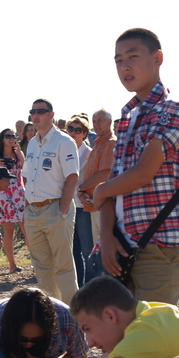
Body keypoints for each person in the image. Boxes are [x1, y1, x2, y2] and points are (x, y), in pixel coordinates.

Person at [91, 28, 179, 305]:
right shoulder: (128, 116)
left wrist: (99, 191)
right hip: (123, 244)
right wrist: (107, 235)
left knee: (152, 336)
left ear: (157, 58)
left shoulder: (171, 110)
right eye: (118, 60)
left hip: (159, 243)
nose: (125, 66)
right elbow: (117, 182)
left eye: (133, 56)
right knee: (121, 337)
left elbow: (143, 173)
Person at [23, 99, 80, 303]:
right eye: (32, 112)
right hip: (34, 212)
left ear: (51, 115)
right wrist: (29, 205)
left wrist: (62, 209)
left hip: (55, 208)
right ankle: (51, 315)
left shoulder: (64, 142)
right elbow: (27, 176)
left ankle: (72, 318)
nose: (35, 115)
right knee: (42, 267)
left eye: (41, 111)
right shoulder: (31, 143)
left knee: (63, 266)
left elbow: (72, 177)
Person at [79, 109, 117, 282]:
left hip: (104, 206)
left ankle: (107, 288)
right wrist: (82, 192)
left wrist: (82, 188)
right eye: (94, 120)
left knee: (103, 251)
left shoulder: (110, 143)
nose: (96, 123)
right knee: (96, 250)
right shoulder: (98, 145)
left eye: (100, 120)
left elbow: (105, 174)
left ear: (110, 122)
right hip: (93, 203)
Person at [0, 128, 28, 274]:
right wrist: (1, 168)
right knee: (9, 232)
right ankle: (12, 265)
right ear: (2, 139)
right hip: (5, 195)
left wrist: (19, 152)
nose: (11, 138)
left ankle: (36, 263)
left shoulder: (18, 153)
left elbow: (26, 170)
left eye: (13, 136)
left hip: (20, 193)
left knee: (28, 230)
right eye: (7, 136)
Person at [66, 116, 93, 287]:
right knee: (72, 251)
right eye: (71, 129)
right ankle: (79, 287)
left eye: (78, 130)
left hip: (84, 207)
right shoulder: (64, 150)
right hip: (68, 206)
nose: (73, 133)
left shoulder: (89, 153)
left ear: (84, 134)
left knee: (87, 250)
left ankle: (90, 287)